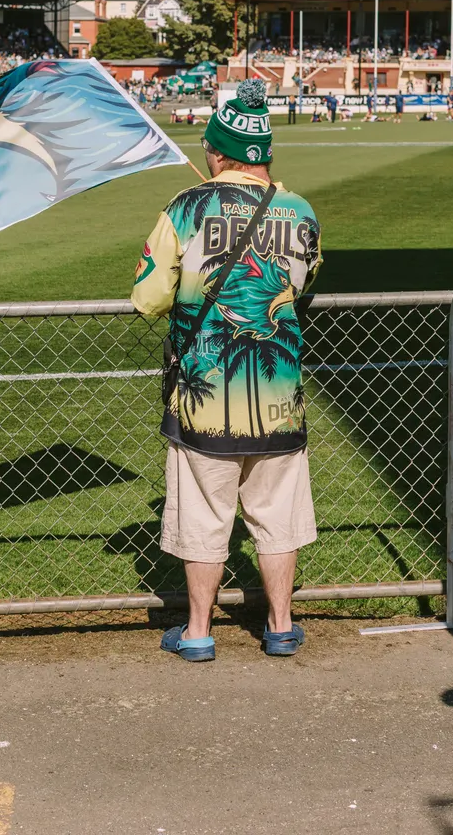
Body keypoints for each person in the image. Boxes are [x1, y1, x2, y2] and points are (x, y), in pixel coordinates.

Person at [131, 79, 322, 662]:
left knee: (204, 514)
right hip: (279, 393)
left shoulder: (186, 207)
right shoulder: (299, 210)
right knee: (277, 513)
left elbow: (146, 297)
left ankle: (197, 633)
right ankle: (281, 626)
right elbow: (305, 281)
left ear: (217, 153)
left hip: (203, 397)